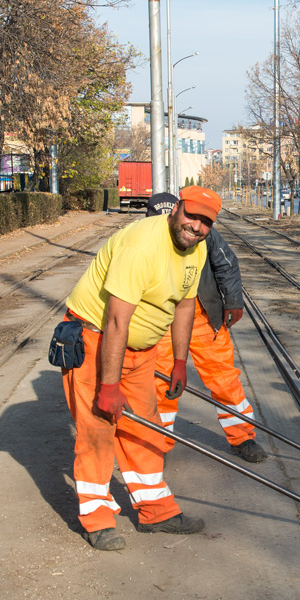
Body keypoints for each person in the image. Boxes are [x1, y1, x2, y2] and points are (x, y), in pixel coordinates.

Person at [60, 185, 222, 551]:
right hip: (95, 339)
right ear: (176, 208)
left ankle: (157, 512)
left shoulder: (195, 251)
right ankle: (98, 520)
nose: (195, 227)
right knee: (98, 428)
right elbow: (117, 321)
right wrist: (109, 385)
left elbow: (184, 306)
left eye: (205, 222)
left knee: (146, 426)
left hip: (140, 350)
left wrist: (180, 362)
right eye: (191, 215)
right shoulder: (141, 245)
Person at [146, 193, 265, 463]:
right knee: (163, 382)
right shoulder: (145, 239)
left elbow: (227, 264)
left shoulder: (206, 235)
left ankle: (243, 436)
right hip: (162, 321)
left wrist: (233, 300)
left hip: (202, 315)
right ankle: (158, 442)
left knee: (223, 377)